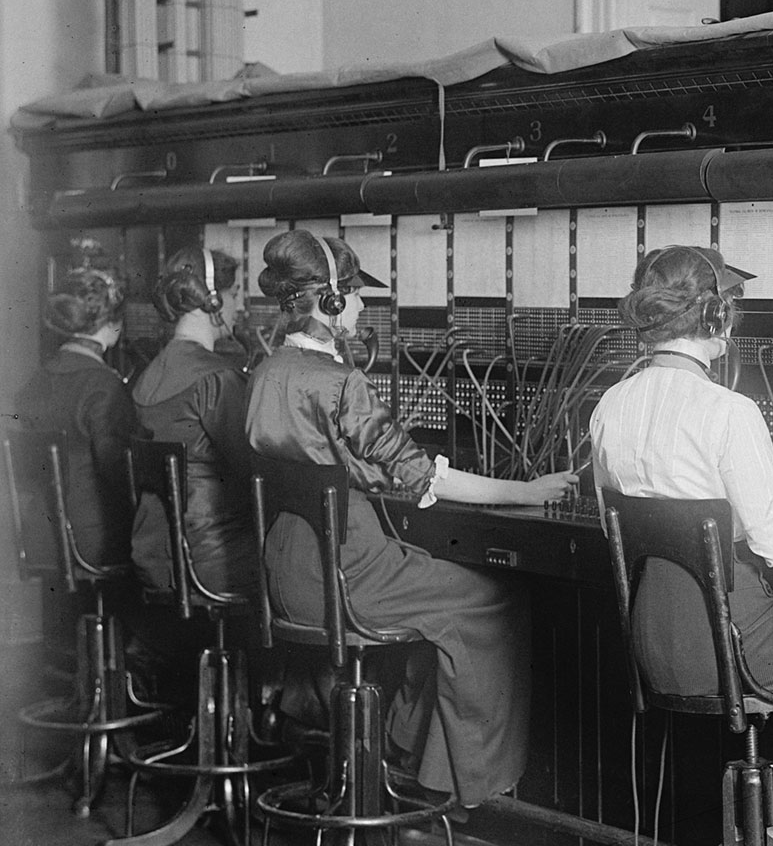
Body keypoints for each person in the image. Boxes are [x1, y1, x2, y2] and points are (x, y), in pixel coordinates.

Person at [246, 229, 577, 809]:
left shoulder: (265, 372)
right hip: (347, 573)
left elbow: (320, 460)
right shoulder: (339, 381)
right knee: (492, 599)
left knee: (436, 605)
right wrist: (529, 488)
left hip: (285, 574)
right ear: (329, 300)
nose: (362, 304)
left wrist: (368, 476)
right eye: (353, 293)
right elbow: (427, 476)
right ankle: (453, 781)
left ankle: (402, 757)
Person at [588, 245, 773, 846]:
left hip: (653, 645)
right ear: (715, 322)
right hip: (737, 649)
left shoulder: (610, 407)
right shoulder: (730, 413)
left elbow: (617, 522)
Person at [130, 246, 255, 602]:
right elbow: (255, 467)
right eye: (233, 296)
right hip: (214, 558)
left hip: (157, 554)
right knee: (306, 563)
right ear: (212, 301)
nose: (237, 307)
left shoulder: (147, 373)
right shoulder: (217, 380)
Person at [19, 263, 138, 571]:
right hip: (94, 544)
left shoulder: (33, 382)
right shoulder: (104, 386)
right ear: (112, 322)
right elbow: (120, 474)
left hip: (38, 539)